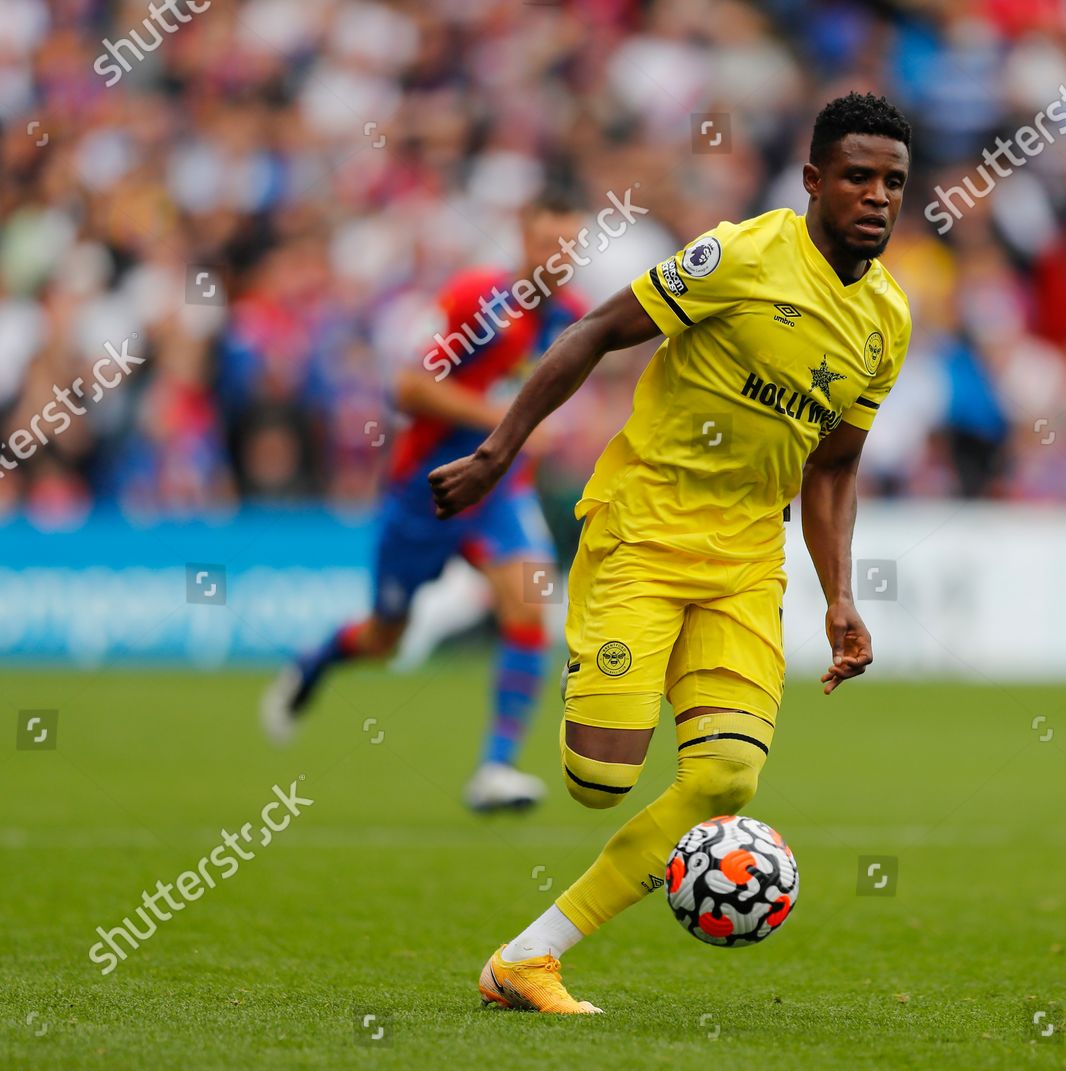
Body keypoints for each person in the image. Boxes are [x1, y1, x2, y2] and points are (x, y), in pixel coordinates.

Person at [427, 92, 913, 1012]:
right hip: (643, 530)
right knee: (599, 779)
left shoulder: (886, 321)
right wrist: (499, 450)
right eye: (857, 176)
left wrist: (839, 595)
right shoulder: (740, 255)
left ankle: (526, 960)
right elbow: (596, 331)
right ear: (814, 180)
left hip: (743, 563)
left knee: (727, 775)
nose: (877, 197)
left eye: (893, 181)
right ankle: (602, 669)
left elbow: (835, 466)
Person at [260, 197, 587, 812]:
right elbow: (408, 388)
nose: (559, 258)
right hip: (427, 491)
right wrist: (504, 417)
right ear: (521, 234)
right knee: (385, 636)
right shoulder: (476, 300)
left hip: (499, 490)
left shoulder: (569, 317)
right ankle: (312, 663)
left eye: (571, 245)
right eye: (548, 242)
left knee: (529, 606)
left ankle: (495, 769)